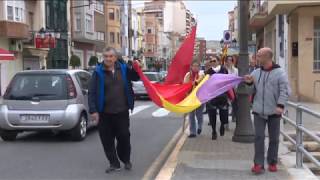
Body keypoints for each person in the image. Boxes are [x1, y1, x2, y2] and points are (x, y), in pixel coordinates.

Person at [88, 47, 140, 173]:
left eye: (110, 56)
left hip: (121, 112)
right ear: (103, 57)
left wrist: (136, 67)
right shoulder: (98, 72)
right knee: (107, 140)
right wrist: (93, 110)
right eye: (106, 56)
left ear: (115, 58)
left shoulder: (123, 68)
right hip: (104, 113)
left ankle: (126, 159)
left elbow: (136, 77)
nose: (108, 59)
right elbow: (92, 92)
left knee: (124, 137)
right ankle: (114, 163)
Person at [244, 47, 289, 174]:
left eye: (259, 55)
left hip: (274, 111)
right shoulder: (255, 73)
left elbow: (285, 91)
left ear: (267, 57)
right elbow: (250, 92)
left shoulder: (280, 73)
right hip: (258, 110)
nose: (256, 57)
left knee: (274, 138)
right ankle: (258, 164)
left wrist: (280, 105)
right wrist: (249, 84)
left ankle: (272, 162)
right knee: (258, 137)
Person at [205, 56, 229, 140]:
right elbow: (205, 84)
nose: (213, 62)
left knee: (224, 114)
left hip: (222, 96)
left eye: (214, 60)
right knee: (212, 115)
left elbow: (227, 81)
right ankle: (214, 131)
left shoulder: (224, 70)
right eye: (211, 61)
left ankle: (222, 125)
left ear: (218, 61)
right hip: (212, 96)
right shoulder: (208, 71)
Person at [184, 61, 205, 138]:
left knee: (199, 114)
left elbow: (203, 84)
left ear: (199, 67)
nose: (195, 67)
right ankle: (192, 132)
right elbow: (184, 86)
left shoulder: (202, 75)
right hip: (190, 98)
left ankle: (199, 126)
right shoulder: (188, 75)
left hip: (200, 98)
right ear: (191, 67)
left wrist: (196, 83)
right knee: (191, 115)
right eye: (194, 66)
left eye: (197, 66)